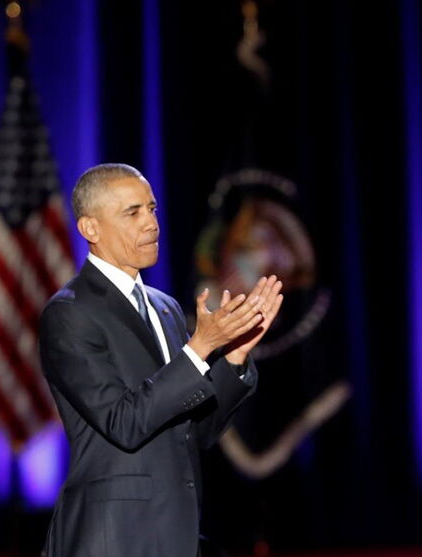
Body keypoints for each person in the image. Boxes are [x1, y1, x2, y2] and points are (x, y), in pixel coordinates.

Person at [39, 163, 283, 557]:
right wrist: (200, 347)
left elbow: (194, 432)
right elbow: (124, 423)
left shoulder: (165, 308)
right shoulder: (70, 313)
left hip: (179, 536)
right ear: (90, 229)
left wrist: (234, 357)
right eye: (132, 212)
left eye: (152, 209)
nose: (151, 223)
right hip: (112, 540)